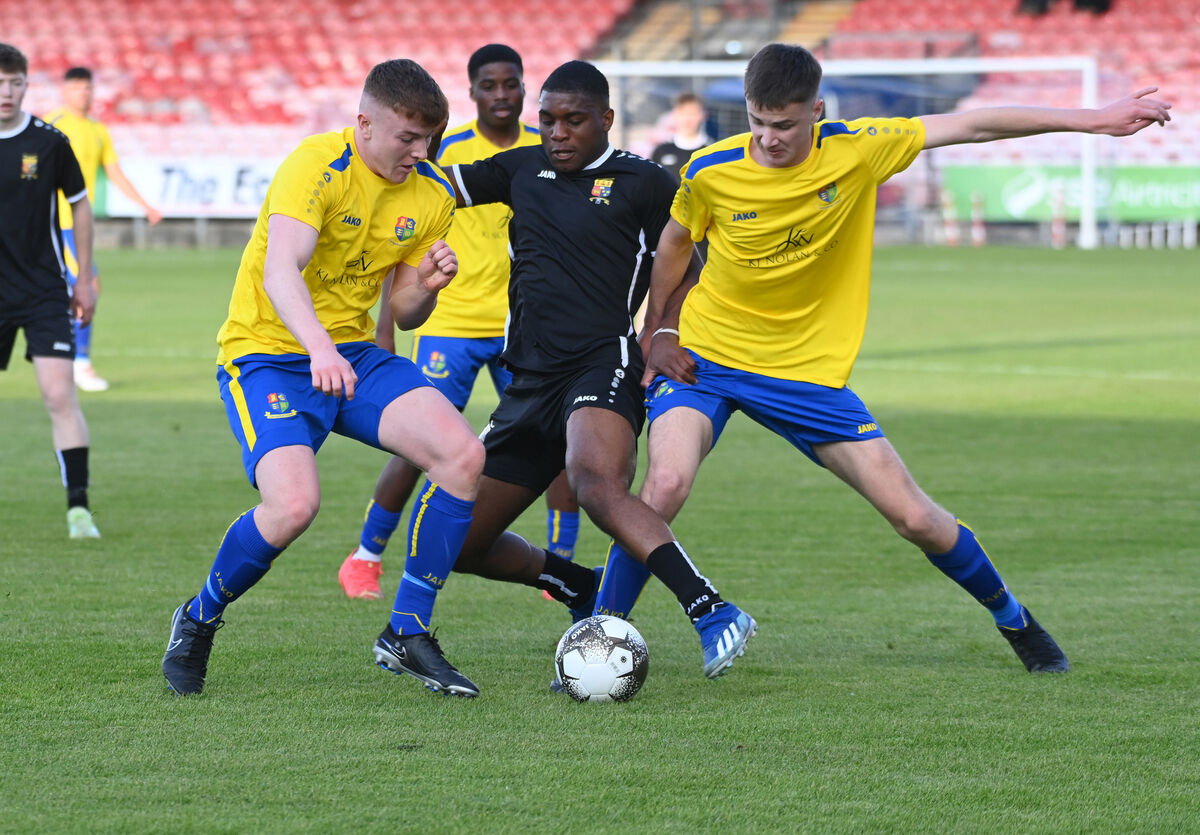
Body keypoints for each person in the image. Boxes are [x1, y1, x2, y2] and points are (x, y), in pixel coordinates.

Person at [597, 42, 1173, 674]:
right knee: (664, 485)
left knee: (915, 517)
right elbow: (676, 242)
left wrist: (1094, 118)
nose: (768, 139)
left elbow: (975, 125)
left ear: (816, 111)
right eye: (757, 122)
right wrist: (658, 334)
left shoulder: (861, 147)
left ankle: (1016, 620)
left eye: (785, 124)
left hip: (805, 374)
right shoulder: (711, 168)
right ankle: (601, 634)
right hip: (707, 357)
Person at [370, 60, 756, 695]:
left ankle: (712, 610)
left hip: (602, 364)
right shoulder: (521, 169)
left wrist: (662, 332)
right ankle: (576, 585)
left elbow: (691, 262)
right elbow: (430, 181)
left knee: (593, 481)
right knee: (463, 542)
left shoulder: (645, 181)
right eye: (547, 120)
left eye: (573, 121)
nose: (556, 132)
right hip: (528, 381)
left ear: (605, 119)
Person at [162, 58, 486, 697]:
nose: (421, 154)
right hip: (266, 355)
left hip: (352, 358)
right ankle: (199, 616)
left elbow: (403, 310)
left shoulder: (433, 194)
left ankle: (407, 632)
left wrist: (426, 285)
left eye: (432, 139)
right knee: (293, 507)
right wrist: (320, 349)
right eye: (408, 138)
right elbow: (281, 270)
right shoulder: (316, 164)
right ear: (364, 123)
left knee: (463, 456)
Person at [338, 44, 582, 602]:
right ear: (472, 93)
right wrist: (385, 328)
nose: (502, 95)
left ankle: (560, 562)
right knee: (418, 444)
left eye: (511, 84)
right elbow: (396, 231)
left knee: (561, 440)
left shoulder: (548, 151)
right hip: (451, 322)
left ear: (526, 90)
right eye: (489, 86)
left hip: (525, 328)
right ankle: (366, 556)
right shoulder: (446, 152)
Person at [0, 43, 101, 540]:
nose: (6, 92)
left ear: (26, 84)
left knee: (59, 394)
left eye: (15, 82)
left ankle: (78, 510)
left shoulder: (49, 141)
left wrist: (83, 277)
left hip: (44, 289)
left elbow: (80, 204)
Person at [41, 66, 163, 392]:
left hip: (80, 225)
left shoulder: (98, 131)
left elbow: (114, 172)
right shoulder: (52, 125)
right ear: (65, 91)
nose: (84, 93)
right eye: (78, 88)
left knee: (73, 289)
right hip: (54, 222)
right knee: (85, 284)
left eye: (88, 88)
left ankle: (69, 360)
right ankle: (79, 363)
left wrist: (144, 205)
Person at [650, 92, 713, 183]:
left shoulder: (711, 152)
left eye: (693, 113)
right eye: (683, 113)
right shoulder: (661, 150)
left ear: (703, 115)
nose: (687, 119)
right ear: (674, 114)